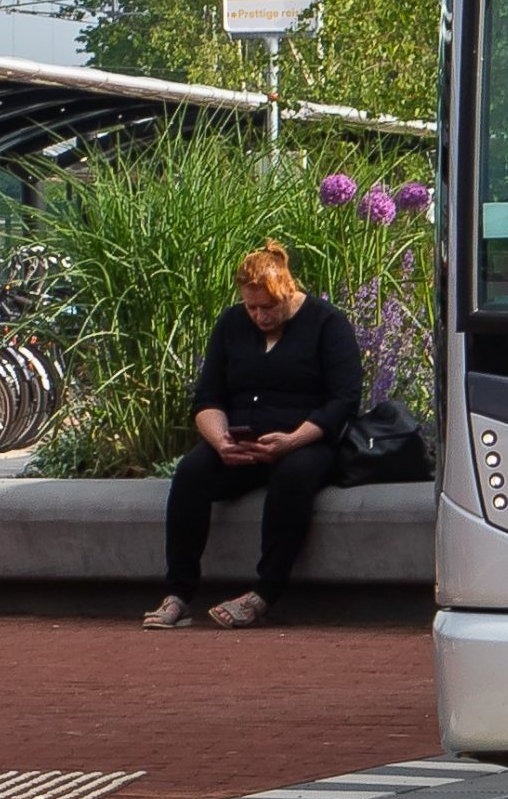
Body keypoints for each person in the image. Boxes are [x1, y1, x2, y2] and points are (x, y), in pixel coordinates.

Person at [144, 239, 363, 631]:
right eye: (251, 307)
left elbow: (343, 400)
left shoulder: (327, 324)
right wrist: (220, 440)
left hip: (306, 438)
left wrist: (292, 440)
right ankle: (178, 593)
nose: (260, 316)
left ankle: (265, 592)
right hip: (243, 440)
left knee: (292, 479)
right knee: (192, 472)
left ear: (288, 291)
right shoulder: (231, 324)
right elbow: (208, 397)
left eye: (269, 307)